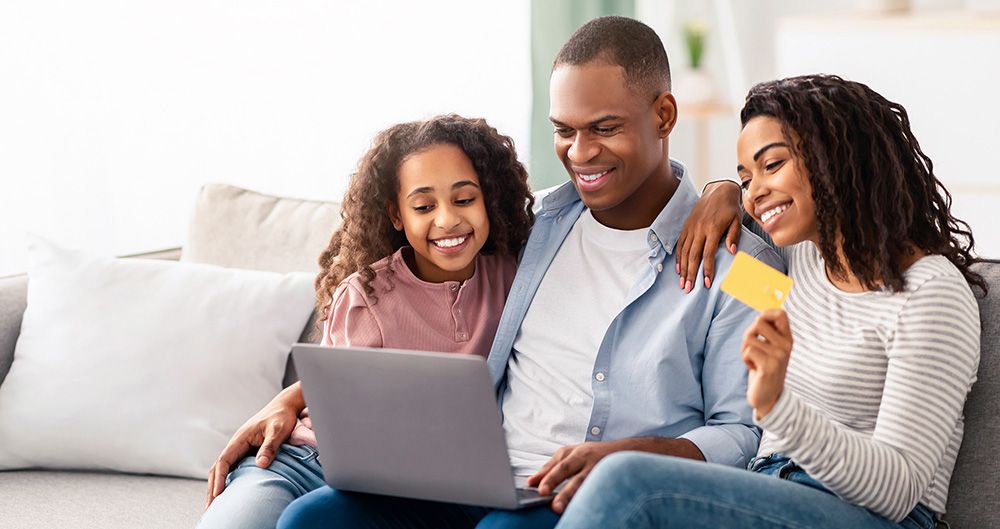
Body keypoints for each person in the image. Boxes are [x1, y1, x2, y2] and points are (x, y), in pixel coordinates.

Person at [277, 16, 781, 529]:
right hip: (470, 479)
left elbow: (747, 432)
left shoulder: (746, 267)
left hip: (580, 501)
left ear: (664, 115)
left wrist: (632, 455)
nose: (580, 154)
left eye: (605, 128)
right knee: (308, 521)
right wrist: (291, 397)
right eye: (565, 130)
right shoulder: (535, 223)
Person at [555, 74, 985, 529]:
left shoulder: (930, 295)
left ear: (836, 157)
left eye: (772, 165)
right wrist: (720, 190)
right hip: (768, 493)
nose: (755, 193)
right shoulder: (792, 265)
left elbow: (898, 490)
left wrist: (778, 406)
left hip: (876, 518)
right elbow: (707, 276)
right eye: (746, 176)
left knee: (627, 481)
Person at [197, 114, 535, 529]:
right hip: (307, 461)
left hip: (407, 492)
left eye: (464, 199)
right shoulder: (367, 295)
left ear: (490, 198)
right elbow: (336, 391)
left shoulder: (515, 277)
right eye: (424, 206)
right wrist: (288, 401)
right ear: (397, 215)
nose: (447, 219)